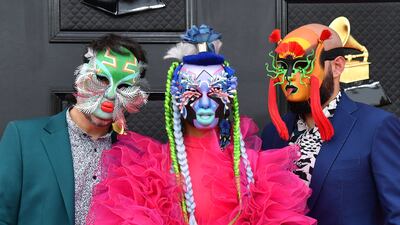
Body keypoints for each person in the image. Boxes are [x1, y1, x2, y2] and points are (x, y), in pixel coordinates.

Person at [87, 25, 316, 225]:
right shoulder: (148, 175)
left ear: (229, 97)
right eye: (193, 92)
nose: (205, 103)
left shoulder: (256, 173)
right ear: (177, 99)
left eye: (216, 90)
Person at [0, 34, 148, 225]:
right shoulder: (23, 139)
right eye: (102, 79)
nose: (110, 95)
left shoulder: (137, 156)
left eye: (124, 86)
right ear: (80, 77)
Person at [262, 24, 400, 225]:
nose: (290, 76)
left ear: (337, 66)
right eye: (283, 66)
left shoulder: (376, 128)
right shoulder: (272, 134)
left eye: (302, 65)